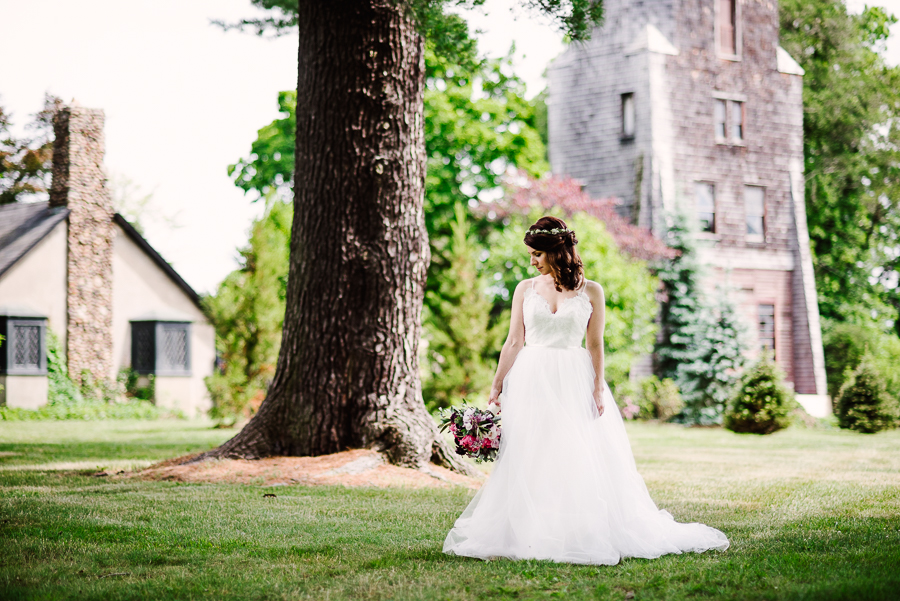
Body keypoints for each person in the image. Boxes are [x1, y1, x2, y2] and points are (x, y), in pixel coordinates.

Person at [443, 216, 729, 565]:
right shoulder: (524, 288)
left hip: (573, 377)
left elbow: (595, 345)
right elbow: (514, 340)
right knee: (531, 452)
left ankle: (577, 529)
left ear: (555, 252)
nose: (531, 261)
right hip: (531, 377)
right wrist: (497, 382)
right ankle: (527, 530)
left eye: (536, 254)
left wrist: (596, 387)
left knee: (573, 452)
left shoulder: (592, 290)